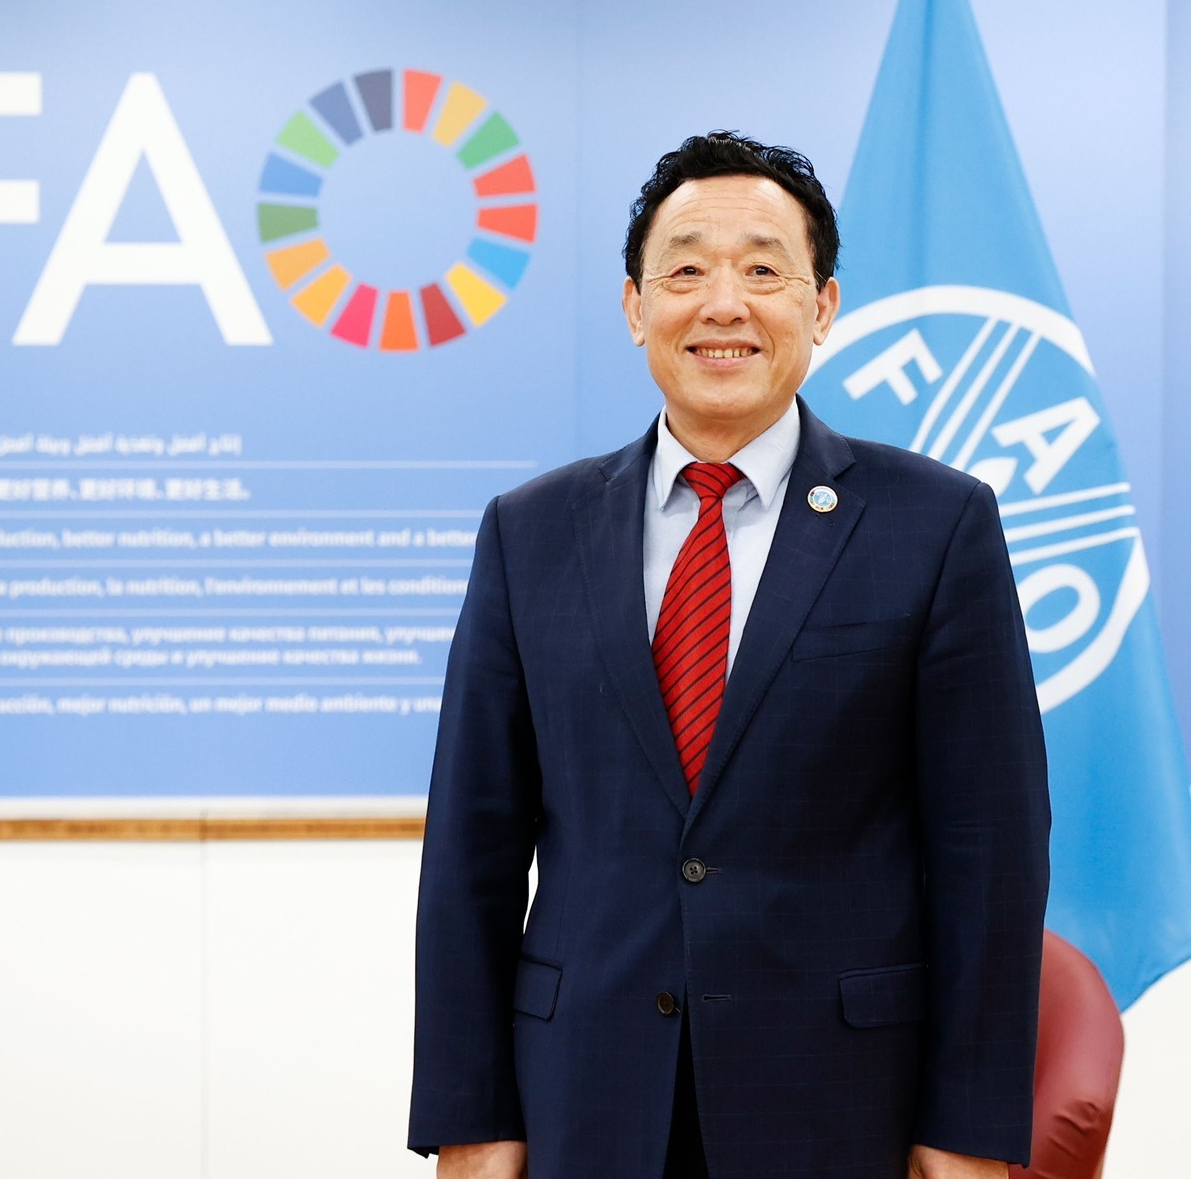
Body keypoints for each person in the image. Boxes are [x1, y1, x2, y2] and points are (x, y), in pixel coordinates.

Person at [408, 132, 1051, 1179]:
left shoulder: (934, 526)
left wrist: (967, 1131)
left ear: (821, 306)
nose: (722, 304)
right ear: (633, 308)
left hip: (840, 1103)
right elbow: (471, 851)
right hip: (583, 1095)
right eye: (686, 270)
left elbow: (989, 850)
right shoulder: (529, 532)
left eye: (761, 270)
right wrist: (468, 1115)